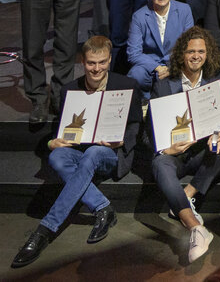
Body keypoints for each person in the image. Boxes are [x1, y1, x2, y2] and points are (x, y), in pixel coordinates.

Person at [11, 37, 143, 268]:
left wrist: (120, 141)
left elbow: (135, 126)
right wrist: (53, 142)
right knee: (56, 157)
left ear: (110, 60)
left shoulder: (128, 85)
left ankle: (44, 230)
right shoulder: (69, 89)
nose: (97, 68)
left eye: (102, 62)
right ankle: (103, 207)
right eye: (91, 63)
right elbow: (60, 128)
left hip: (111, 153)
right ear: (83, 62)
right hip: (79, 151)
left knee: (93, 153)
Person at [151, 27, 220, 262]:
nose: (196, 56)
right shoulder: (164, 84)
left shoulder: (213, 84)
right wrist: (167, 149)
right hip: (175, 153)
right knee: (159, 163)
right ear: (182, 54)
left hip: (201, 153)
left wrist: (217, 135)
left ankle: (187, 193)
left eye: (201, 51)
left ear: (207, 54)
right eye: (191, 51)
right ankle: (195, 228)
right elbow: (152, 127)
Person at [127, 0, 195, 97]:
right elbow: (133, 53)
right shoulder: (139, 16)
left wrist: (172, 67)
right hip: (150, 65)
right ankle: (145, 101)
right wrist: (157, 67)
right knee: (136, 75)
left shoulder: (184, 10)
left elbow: (189, 45)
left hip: (177, 62)